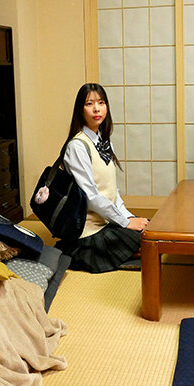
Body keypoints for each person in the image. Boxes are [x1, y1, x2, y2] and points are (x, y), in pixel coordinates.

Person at [55, 83, 149, 273]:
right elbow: (91, 197)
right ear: (80, 110)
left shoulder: (105, 143)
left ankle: (125, 251)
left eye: (101, 102)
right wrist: (126, 223)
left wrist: (129, 217)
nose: (97, 109)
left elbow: (112, 192)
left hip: (107, 221)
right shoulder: (77, 146)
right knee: (146, 244)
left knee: (151, 233)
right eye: (89, 104)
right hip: (90, 230)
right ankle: (88, 252)